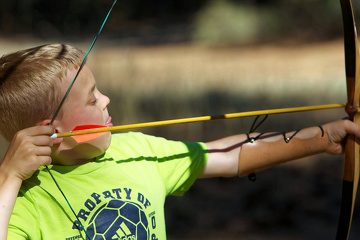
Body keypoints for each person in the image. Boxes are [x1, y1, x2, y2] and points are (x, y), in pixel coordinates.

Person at [0, 44, 359, 240]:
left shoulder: (136, 152)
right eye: (93, 100)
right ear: (52, 132)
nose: (107, 100)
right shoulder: (26, 201)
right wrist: (10, 176)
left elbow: (226, 156)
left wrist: (321, 138)